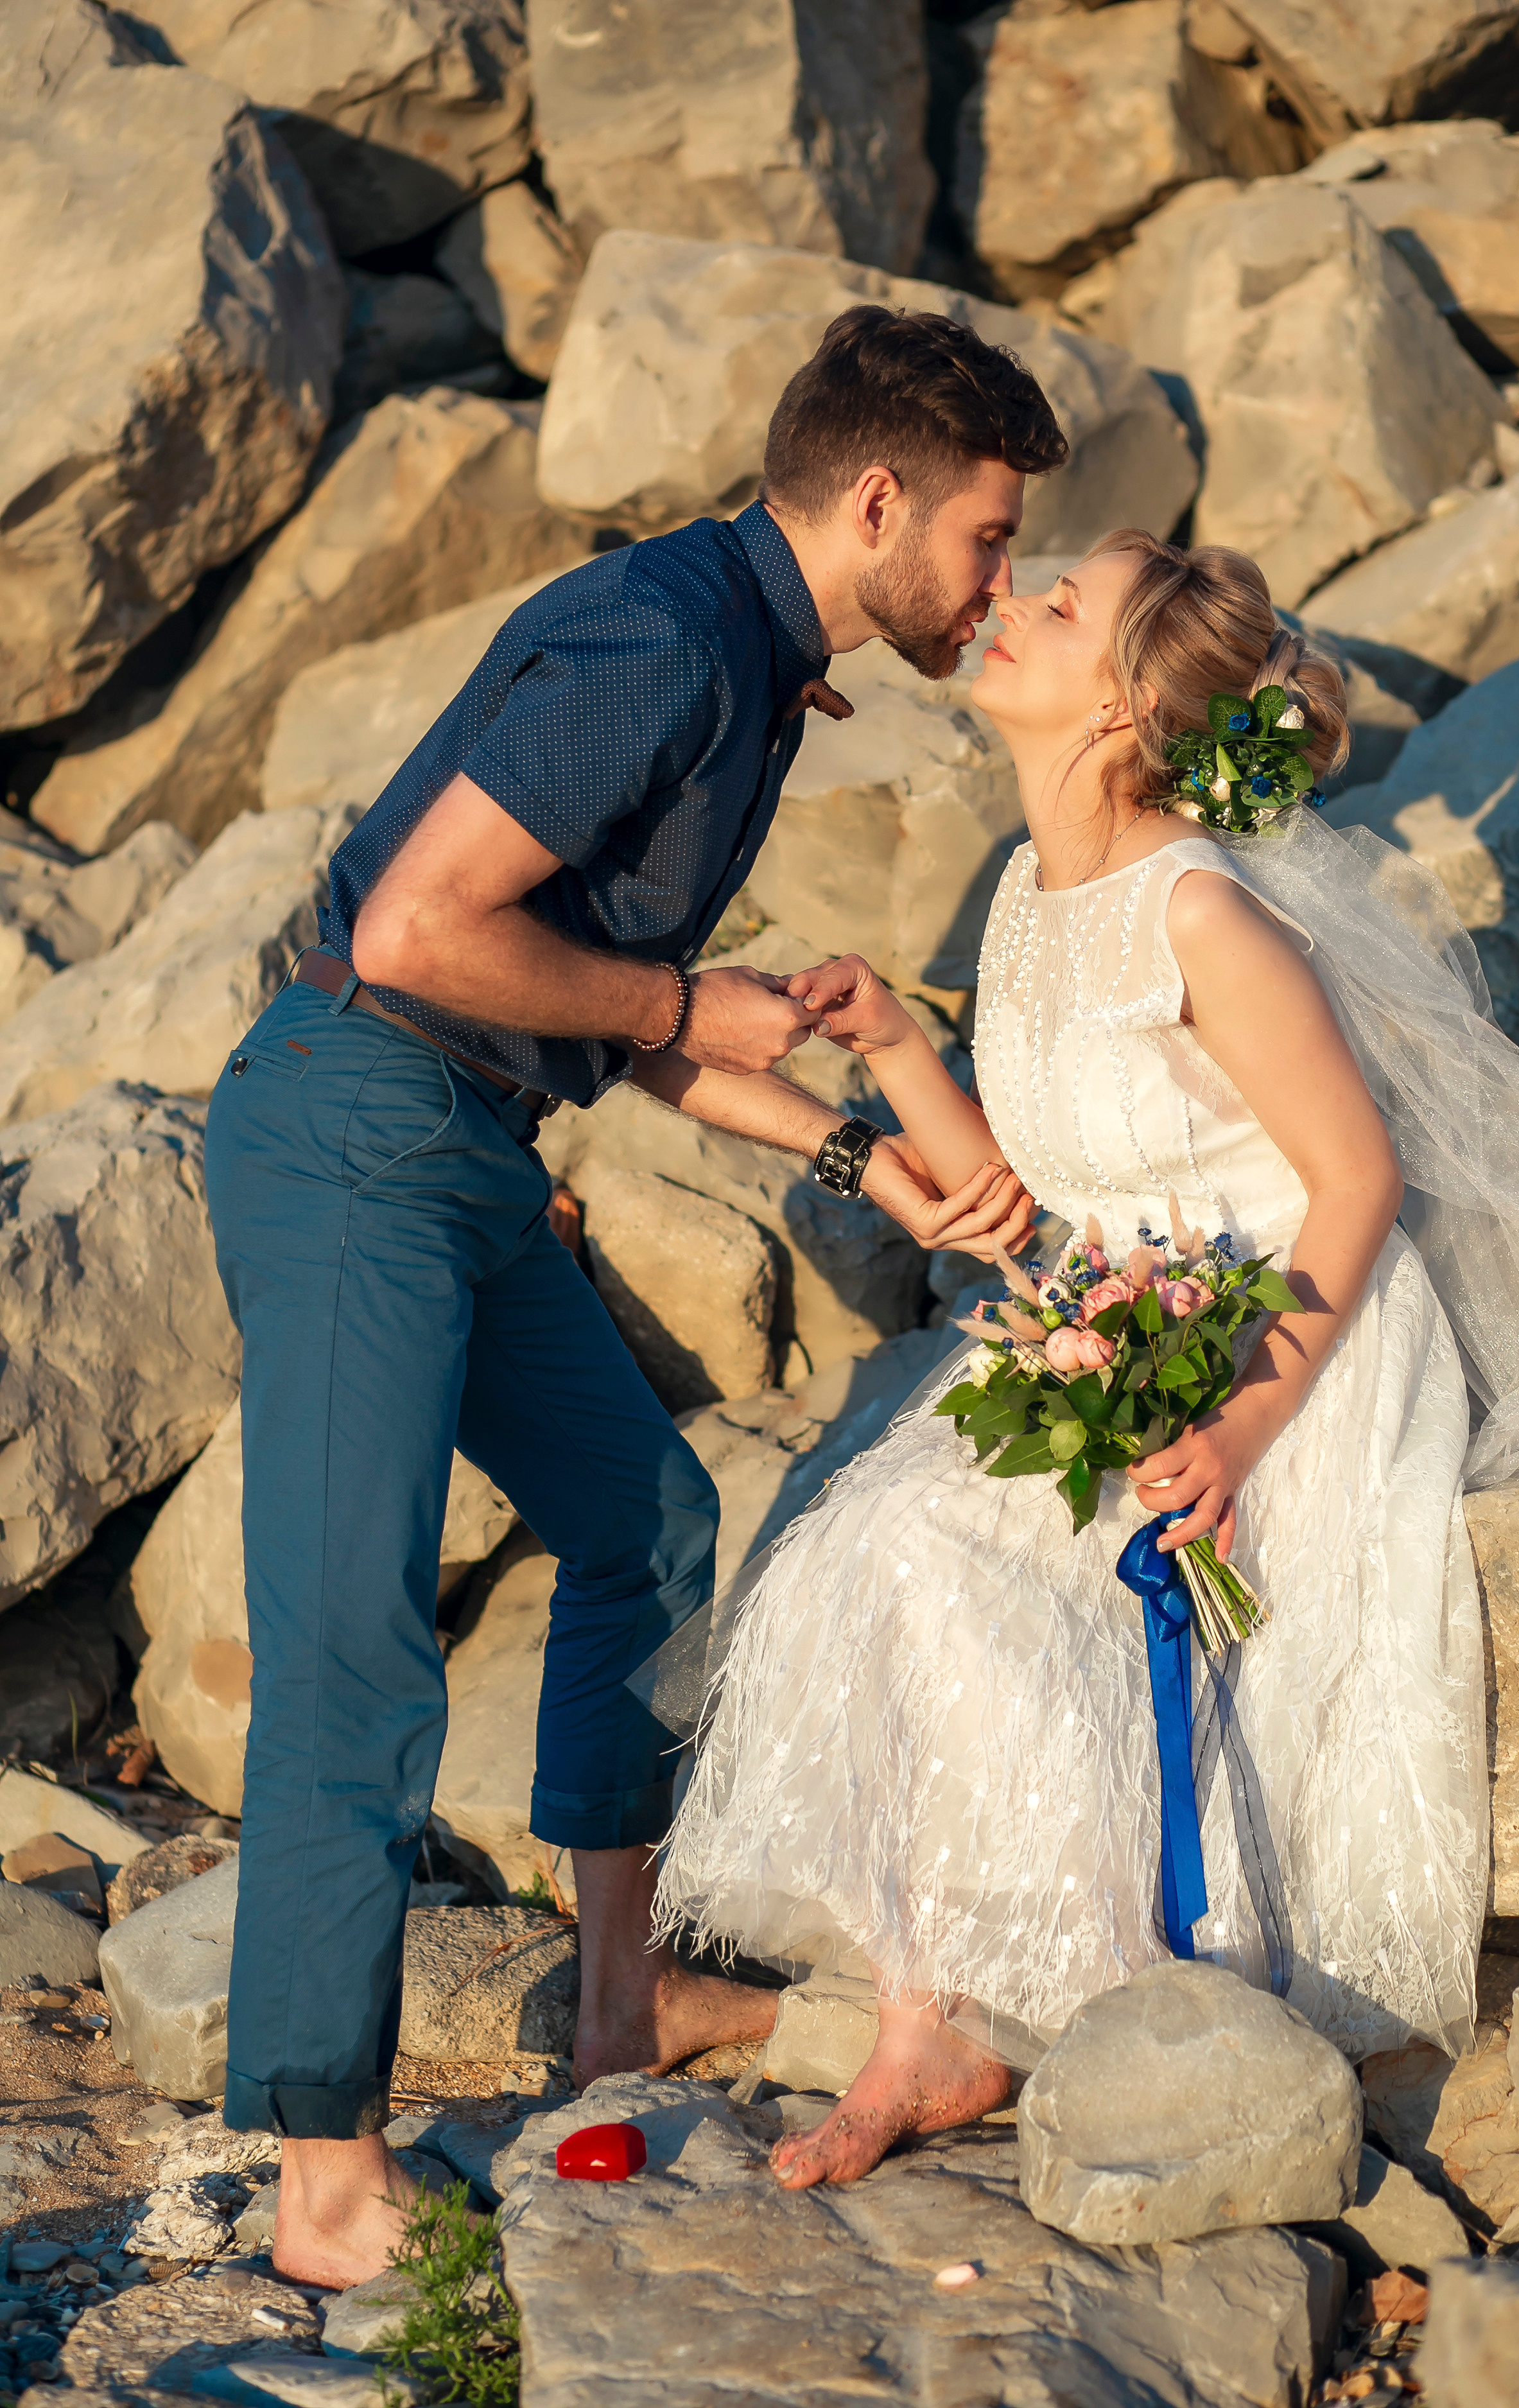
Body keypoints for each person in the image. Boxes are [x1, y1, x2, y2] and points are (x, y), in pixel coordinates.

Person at [201, 304, 1068, 2287]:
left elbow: (622, 1015)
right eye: (986, 536)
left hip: (468, 1143)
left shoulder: (746, 663)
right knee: (354, 1644)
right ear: (877, 501)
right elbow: (420, 931)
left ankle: (619, 1999)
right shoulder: (666, 643)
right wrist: (682, 1000)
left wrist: (860, 1161)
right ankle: (324, 2180)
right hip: (355, 1128)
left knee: (644, 1518)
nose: (993, 580)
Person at [654, 529, 1500, 2188]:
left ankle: (1052, 1999)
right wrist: (896, 1044)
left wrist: (1240, 1433)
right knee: (875, 1539)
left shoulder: (1204, 913)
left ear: (1118, 707)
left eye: (1057, 609)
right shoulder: (1029, 901)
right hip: (1112, 1326)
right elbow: (1028, 1204)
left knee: (956, 1567)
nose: (1008, 607)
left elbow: (1356, 1180)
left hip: (1276, 1345)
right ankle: (930, 2018)